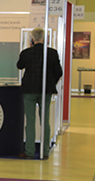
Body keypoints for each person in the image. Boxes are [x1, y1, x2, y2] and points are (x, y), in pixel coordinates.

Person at [17, 27, 63, 160]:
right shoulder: (52, 53)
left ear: (32, 39)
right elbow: (59, 72)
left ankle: (29, 151)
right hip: (45, 90)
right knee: (45, 120)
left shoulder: (26, 53)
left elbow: (19, 65)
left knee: (30, 121)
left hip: (29, 90)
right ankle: (45, 151)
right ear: (44, 38)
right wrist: (51, 82)